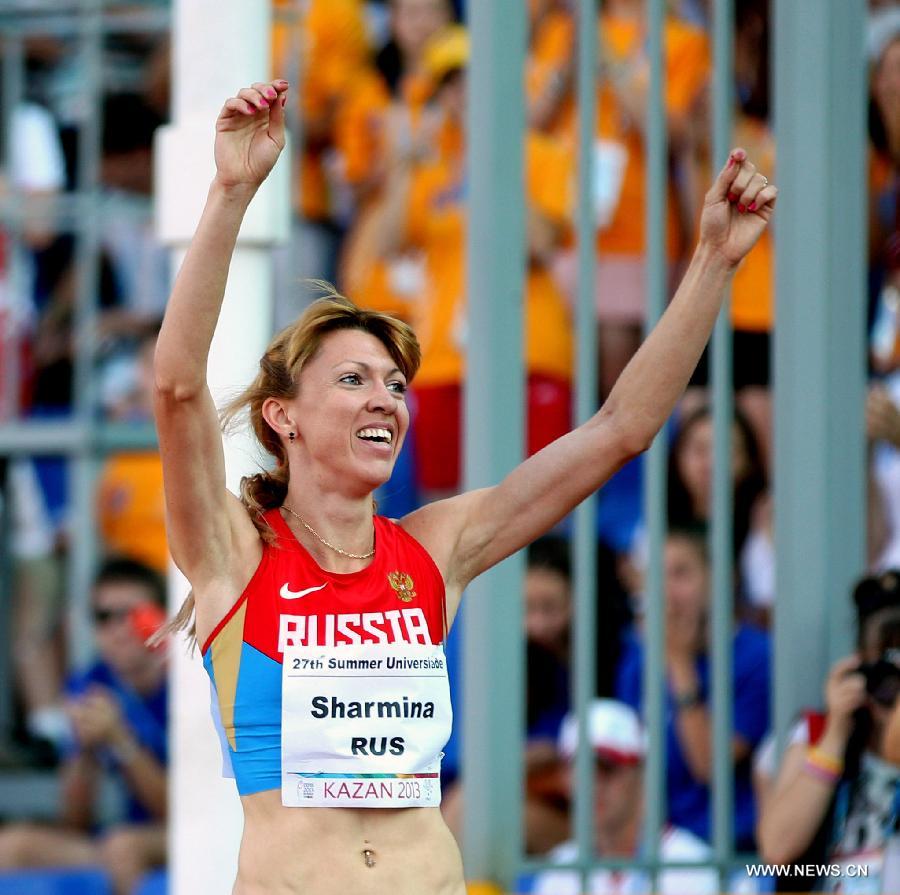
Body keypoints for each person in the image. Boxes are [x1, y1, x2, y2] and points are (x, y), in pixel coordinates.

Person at [151, 73, 775, 893]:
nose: (385, 398)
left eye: (395, 384)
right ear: (283, 416)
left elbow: (620, 429)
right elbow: (178, 386)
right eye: (352, 380)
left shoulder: (434, 549)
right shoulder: (233, 553)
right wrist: (233, 191)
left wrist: (710, 265)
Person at [0, 558, 168, 895]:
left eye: (132, 615)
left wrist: (122, 740)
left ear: (163, 617)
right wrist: (84, 751)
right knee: (11, 847)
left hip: (192, 831)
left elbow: (177, 810)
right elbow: (76, 820)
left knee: (123, 847)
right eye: (103, 617)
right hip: (124, 837)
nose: (117, 629)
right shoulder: (91, 682)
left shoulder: (187, 684)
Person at [616, 528, 771, 851]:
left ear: (721, 580)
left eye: (681, 574)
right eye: (655, 577)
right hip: (660, 850)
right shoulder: (638, 664)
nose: (666, 592)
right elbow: (636, 772)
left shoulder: (758, 657)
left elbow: (710, 766)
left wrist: (679, 664)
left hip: (732, 850)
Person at [757, 571, 900, 893]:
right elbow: (777, 849)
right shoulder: (818, 731)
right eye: (884, 669)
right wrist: (835, 733)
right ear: (860, 664)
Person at [530, 699, 718, 895]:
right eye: (581, 772)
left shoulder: (693, 867)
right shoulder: (560, 869)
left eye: (607, 769)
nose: (594, 786)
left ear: (642, 774)